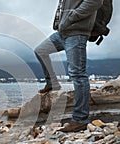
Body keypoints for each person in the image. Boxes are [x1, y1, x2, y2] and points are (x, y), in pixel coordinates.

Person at [34, 0, 103, 132]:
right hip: (62, 33)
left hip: (77, 33)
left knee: (78, 74)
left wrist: (71, 18)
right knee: (40, 50)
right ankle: (52, 83)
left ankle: (80, 119)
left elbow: (95, 2)